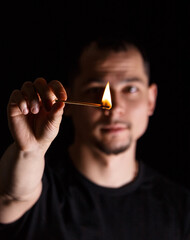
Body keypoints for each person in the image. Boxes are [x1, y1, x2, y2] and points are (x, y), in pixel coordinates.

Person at [0, 36, 190, 240]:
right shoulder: (39, 190)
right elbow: (13, 196)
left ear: (151, 100)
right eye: (94, 90)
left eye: (131, 89)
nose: (115, 108)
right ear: (69, 101)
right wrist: (30, 151)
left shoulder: (181, 208)